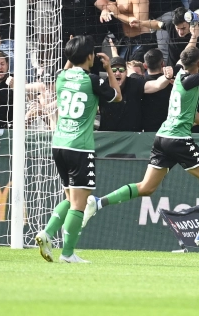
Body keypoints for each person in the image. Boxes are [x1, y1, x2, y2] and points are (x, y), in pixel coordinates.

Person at [84, 42, 199, 251]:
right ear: (198, 65)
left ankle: (98, 202)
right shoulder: (191, 79)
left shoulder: (178, 76)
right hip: (178, 140)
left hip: (163, 138)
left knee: (146, 187)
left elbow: (191, 113)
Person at [34, 36, 121, 263]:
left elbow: (67, 70)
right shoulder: (93, 80)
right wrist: (109, 69)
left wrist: (72, 54)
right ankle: (68, 253)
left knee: (70, 197)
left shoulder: (61, 77)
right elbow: (117, 95)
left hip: (59, 144)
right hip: (80, 147)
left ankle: (47, 233)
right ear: (91, 56)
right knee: (79, 203)